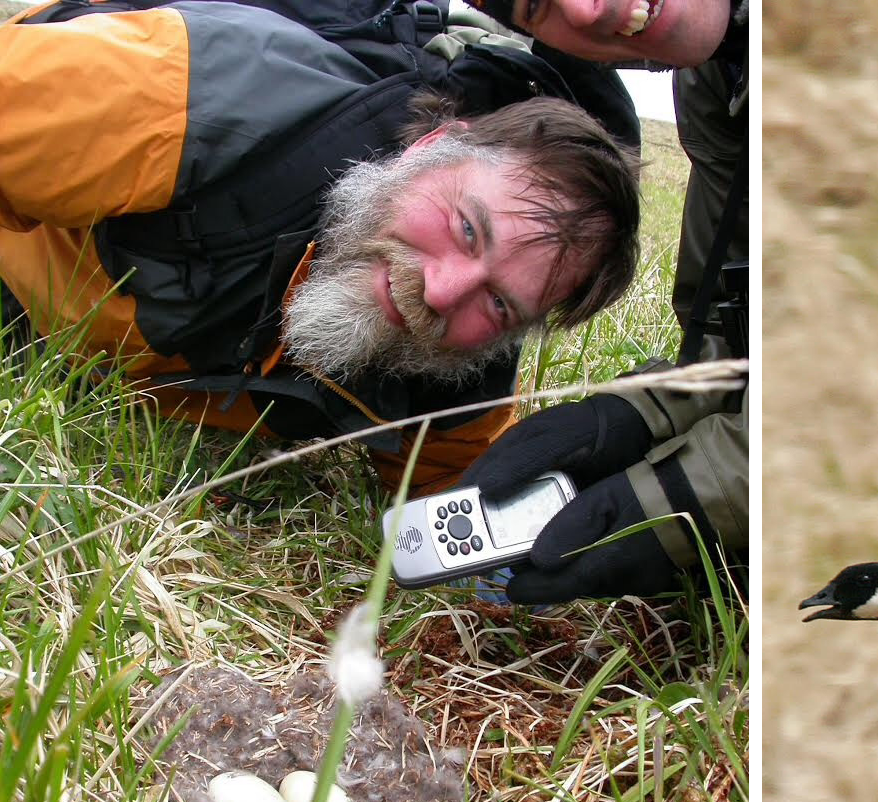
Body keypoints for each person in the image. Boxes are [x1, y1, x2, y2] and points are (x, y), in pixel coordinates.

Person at [0, 0, 642, 494]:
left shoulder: (456, 364)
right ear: (426, 149)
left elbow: (456, 483)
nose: (443, 291)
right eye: (468, 229)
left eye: (501, 304)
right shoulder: (195, 101)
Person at [458, 0, 749, 604]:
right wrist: (643, 414)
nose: (587, 10)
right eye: (535, 9)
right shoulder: (719, 78)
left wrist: (704, 492)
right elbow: (738, 328)